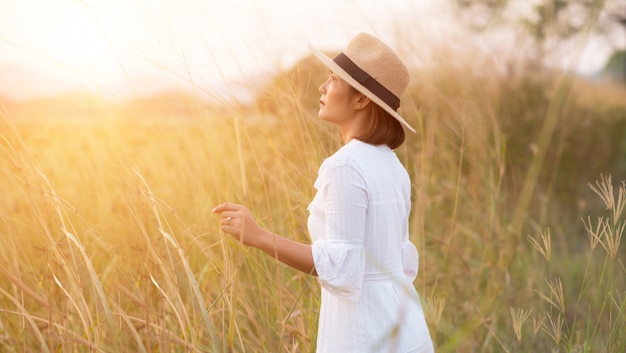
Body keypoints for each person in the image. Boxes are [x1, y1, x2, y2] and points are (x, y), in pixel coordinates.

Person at [213, 32, 434, 353]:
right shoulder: (392, 165)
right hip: (405, 326)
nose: (322, 87)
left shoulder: (345, 165)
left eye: (333, 79)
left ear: (361, 99)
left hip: (364, 331)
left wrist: (258, 236)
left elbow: (343, 266)